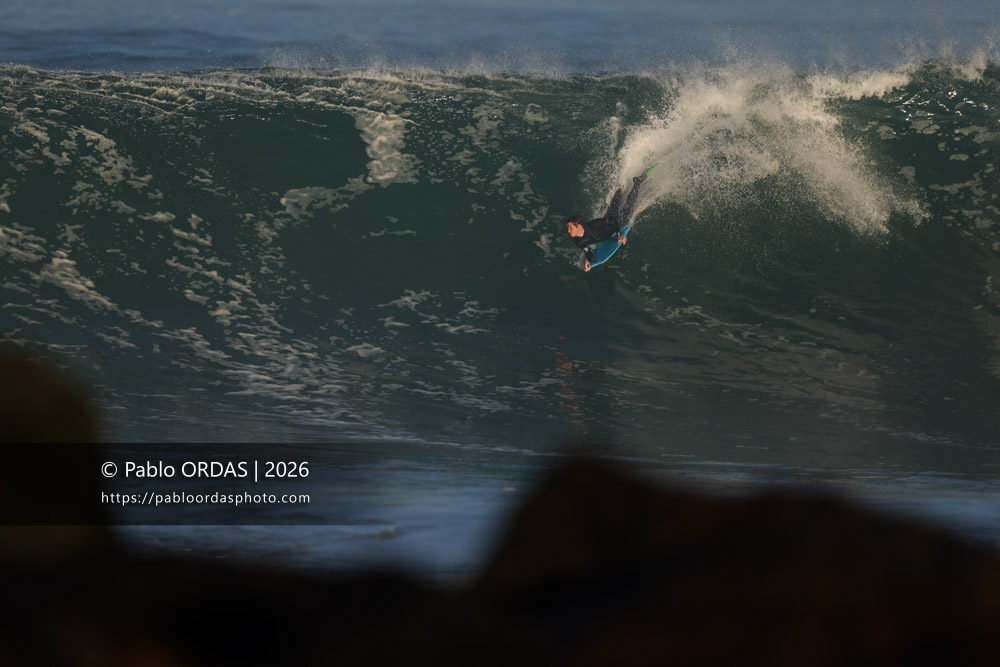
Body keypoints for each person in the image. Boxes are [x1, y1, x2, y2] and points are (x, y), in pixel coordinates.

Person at [566, 171, 647, 271]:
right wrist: (588, 261)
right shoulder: (577, 240)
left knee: (628, 207)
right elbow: (588, 252)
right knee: (614, 203)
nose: (568, 231)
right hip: (609, 220)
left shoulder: (592, 225)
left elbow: (613, 222)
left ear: (578, 226)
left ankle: (637, 183)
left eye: (570, 228)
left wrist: (619, 235)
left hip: (616, 223)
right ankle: (622, 184)